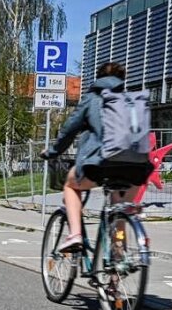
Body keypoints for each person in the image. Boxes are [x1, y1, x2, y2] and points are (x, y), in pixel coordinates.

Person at [40, 62, 140, 251]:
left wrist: (52, 152)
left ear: (98, 78)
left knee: (70, 185)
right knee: (119, 216)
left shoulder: (92, 98)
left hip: (102, 163)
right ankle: (116, 270)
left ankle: (75, 234)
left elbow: (69, 130)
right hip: (136, 167)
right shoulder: (131, 100)